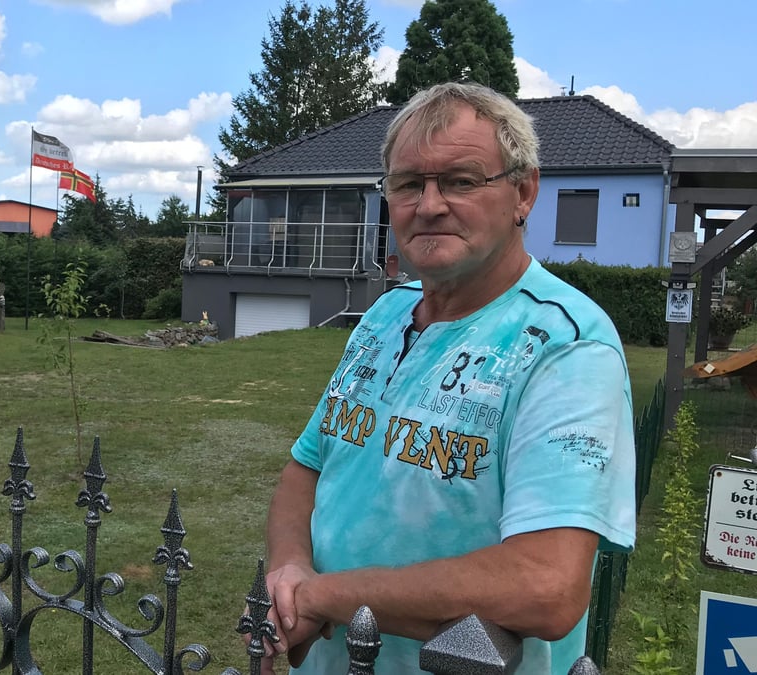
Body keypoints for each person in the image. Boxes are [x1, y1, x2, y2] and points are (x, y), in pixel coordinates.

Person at [257, 82, 636, 674]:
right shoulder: (385, 314)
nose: (429, 205)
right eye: (408, 184)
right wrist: (287, 577)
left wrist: (322, 598)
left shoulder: (566, 345)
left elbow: (546, 586)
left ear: (524, 193)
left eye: (461, 181)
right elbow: (307, 468)